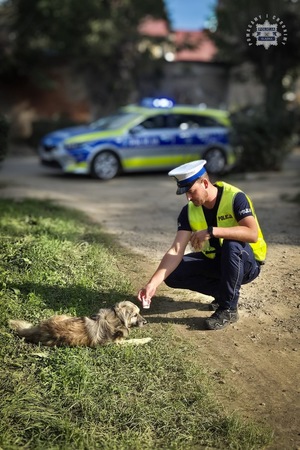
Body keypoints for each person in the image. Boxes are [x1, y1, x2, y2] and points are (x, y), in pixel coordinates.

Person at [137, 160, 267, 330]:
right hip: (218, 263)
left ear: (205, 183)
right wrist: (153, 284)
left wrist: (213, 231)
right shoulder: (189, 210)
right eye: (185, 194)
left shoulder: (235, 197)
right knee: (173, 273)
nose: (188, 198)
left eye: (191, 192)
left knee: (232, 245)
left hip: (247, 263)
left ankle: (228, 309)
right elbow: (176, 249)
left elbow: (252, 233)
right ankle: (224, 294)